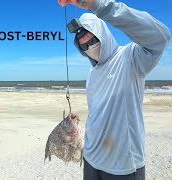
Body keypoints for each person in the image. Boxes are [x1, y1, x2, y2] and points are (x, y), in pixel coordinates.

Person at [57, 0, 171, 179]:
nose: (90, 47)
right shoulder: (92, 72)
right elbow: (99, 111)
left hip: (122, 166)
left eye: (92, 40)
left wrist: (97, 5)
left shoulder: (130, 58)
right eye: (84, 46)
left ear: (102, 34)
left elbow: (161, 36)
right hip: (91, 159)